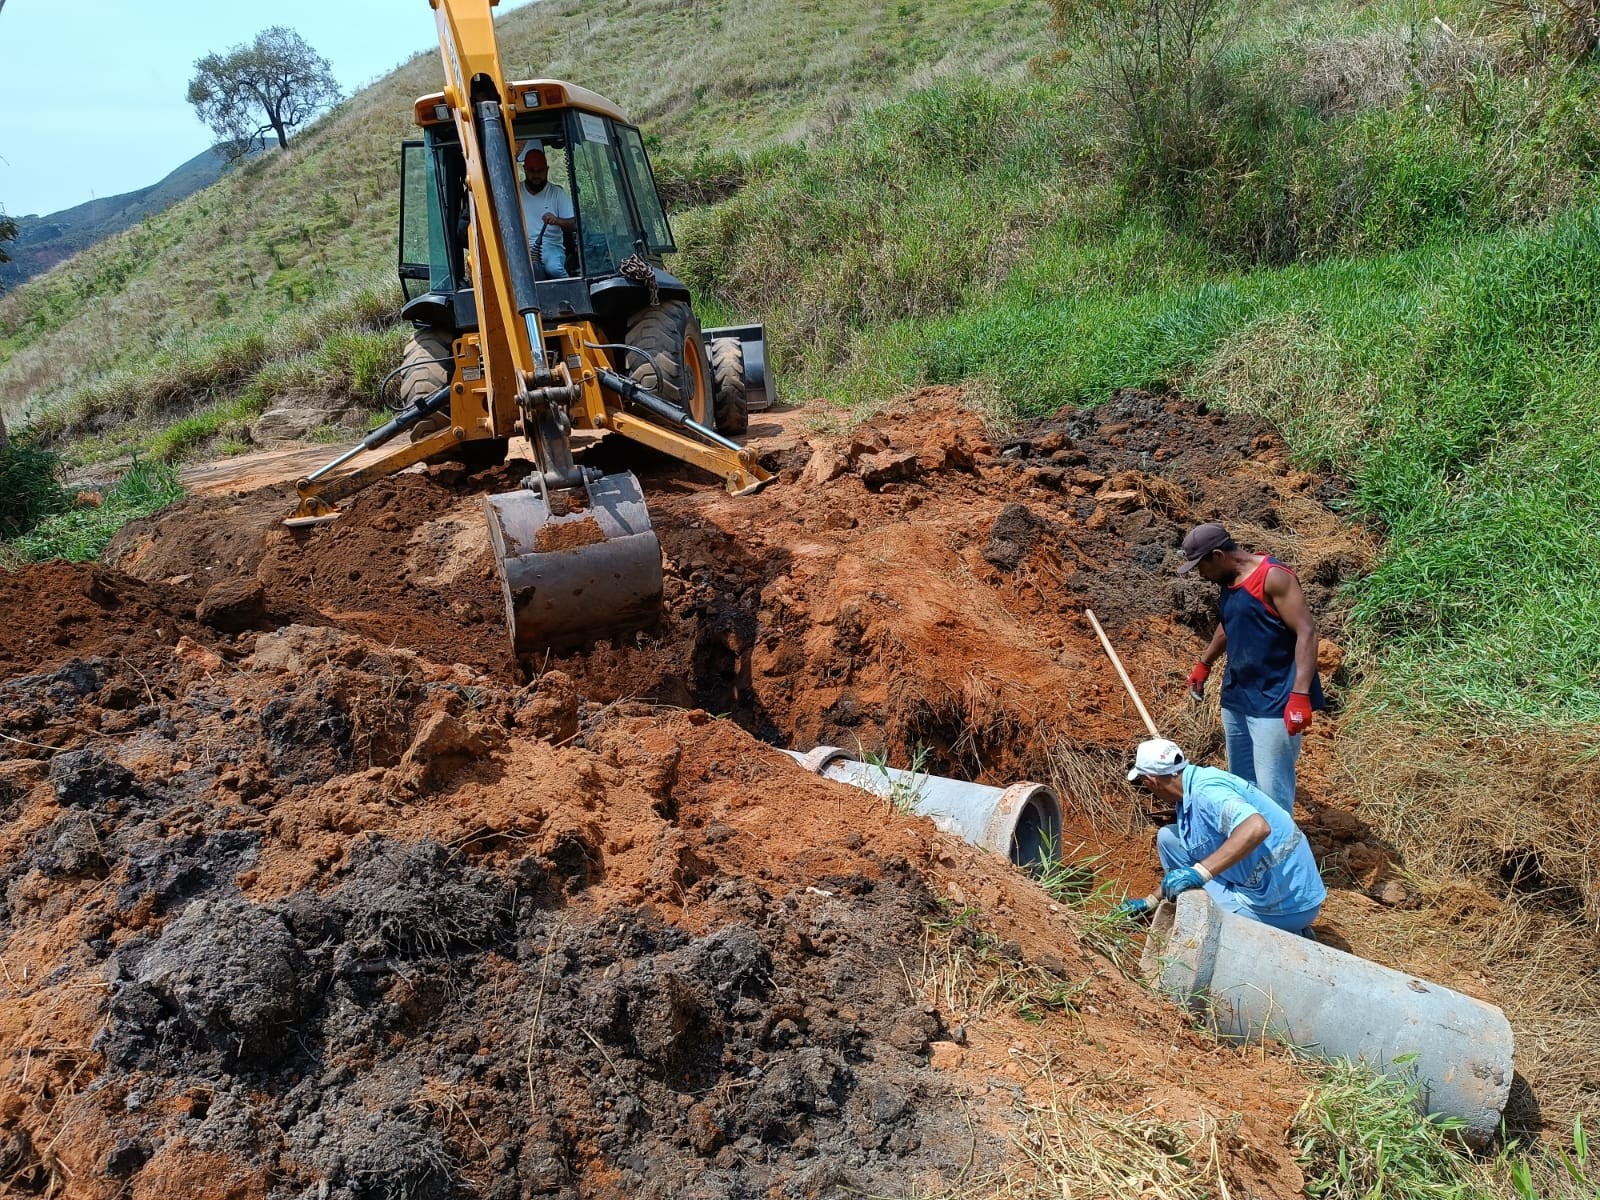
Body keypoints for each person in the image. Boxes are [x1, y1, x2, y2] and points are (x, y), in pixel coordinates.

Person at [1179, 521, 1323, 814]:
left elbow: (1306, 631)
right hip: (1238, 695)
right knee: (1242, 783)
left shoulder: (1273, 577)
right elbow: (1231, 623)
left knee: (1272, 792)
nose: (1200, 575)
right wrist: (1204, 663)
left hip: (1275, 699)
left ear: (1218, 555)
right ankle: (1249, 849)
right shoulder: (1228, 580)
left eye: (1200, 567)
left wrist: (1300, 696)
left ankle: (1280, 853)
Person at [1120, 738, 1325, 934]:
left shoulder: (1208, 792)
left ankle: (1280, 934)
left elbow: (1257, 827)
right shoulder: (1194, 784)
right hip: (1268, 883)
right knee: (1169, 838)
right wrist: (1151, 901)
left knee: (1203, 919)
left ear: (1151, 781)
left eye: (1143, 783)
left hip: (1286, 905)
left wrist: (1200, 873)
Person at [518, 147, 576, 279]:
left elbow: (573, 224)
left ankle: (570, 289)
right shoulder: (515, 192)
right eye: (532, 171)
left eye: (540, 171)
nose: (536, 176)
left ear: (547, 170)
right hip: (521, 247)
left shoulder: (557, 193)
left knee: (554, 269)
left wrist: (557, 221)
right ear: (524, 170)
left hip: (550, 246)